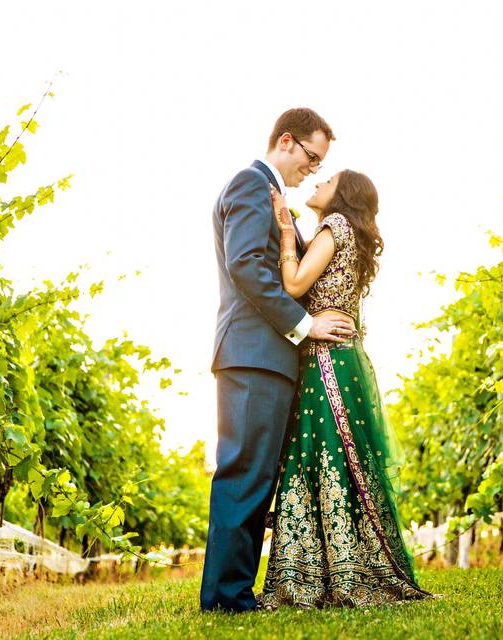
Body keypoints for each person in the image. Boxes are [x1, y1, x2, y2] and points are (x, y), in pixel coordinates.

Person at [202, 108, 355, 613]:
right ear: (286, 141)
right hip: (252, 356)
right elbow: (245, 265)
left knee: (256, 478)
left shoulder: (276, 200)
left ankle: (235, 592)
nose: (311, 169)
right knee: (242, 474)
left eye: (319, 163)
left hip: (266, 359)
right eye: (311, 157)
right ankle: (226, 599)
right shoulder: (250, 183)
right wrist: (306, 324)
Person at [260, 170, 432, 608]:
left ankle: (323, 577)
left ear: (344, 196)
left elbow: (295, 284)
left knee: (325, 457)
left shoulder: (333, 227)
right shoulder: (347, 232)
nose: (318, 182)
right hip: (341, 357)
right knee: (338, 458)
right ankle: (341, 570)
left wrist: (284, 233)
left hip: (328, 361)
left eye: (329, 179)